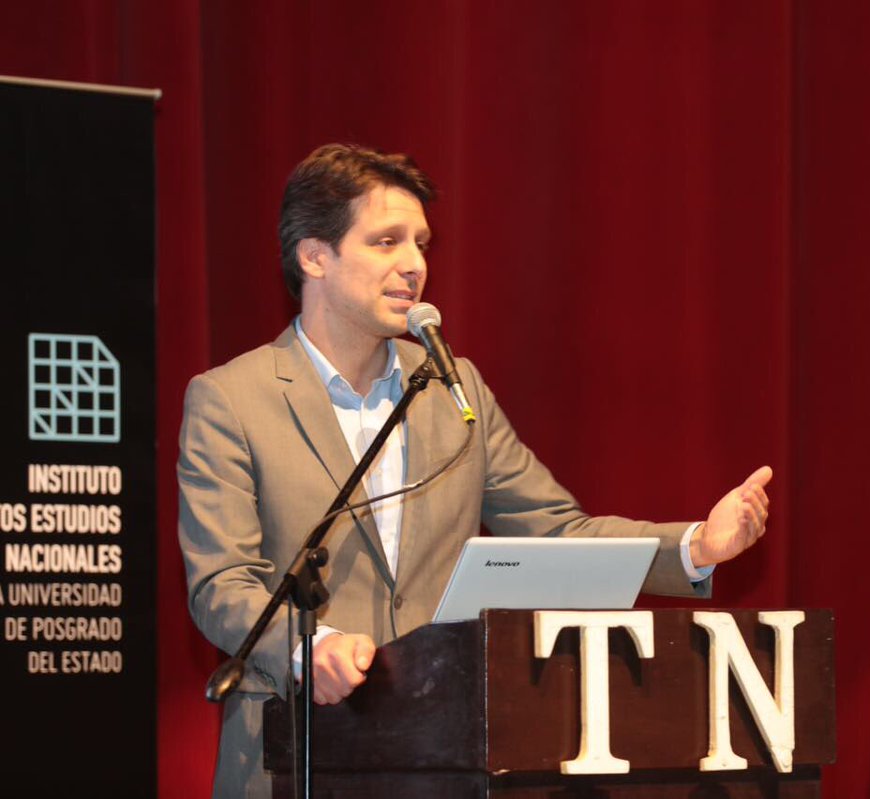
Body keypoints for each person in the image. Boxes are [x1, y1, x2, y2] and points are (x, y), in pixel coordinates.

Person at [177, 143, 773, 798]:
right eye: (386, 241)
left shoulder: (453, 388)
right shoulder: (231, 399)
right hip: (291, 754)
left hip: (438, 757)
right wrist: (307, 648)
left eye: (421, 243)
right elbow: (222, 583)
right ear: (314, 256)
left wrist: (695, 546)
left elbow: (556, 530)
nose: (414, 264)